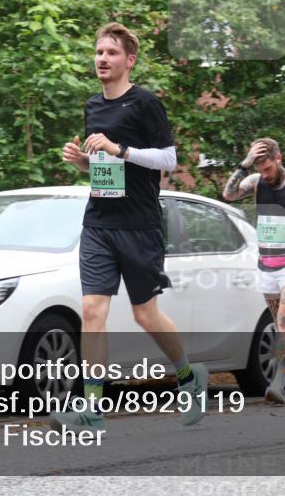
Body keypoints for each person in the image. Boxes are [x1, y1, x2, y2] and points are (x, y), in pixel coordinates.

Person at [54, 22, 207, 431]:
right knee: (91, 309)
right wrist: (82, 160)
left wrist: (118, 147)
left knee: (145, 314)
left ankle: (189, 378)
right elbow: (105, 164)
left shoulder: (145, 104)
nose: (103, 59)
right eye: (99, 52)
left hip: (139, 223)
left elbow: (169, 161)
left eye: (111, 53)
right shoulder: (93, 106)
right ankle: (91, 407)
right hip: (99, 221)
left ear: (129, 61)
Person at [222, 138, 285, 404]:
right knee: (284, 324)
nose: (265, 174)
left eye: (268, 168)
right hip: (268, 264)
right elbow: (228, 194)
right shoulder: (256, 182)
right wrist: (244, 163)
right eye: (259, 169)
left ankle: (278, 381)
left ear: (278, 158)